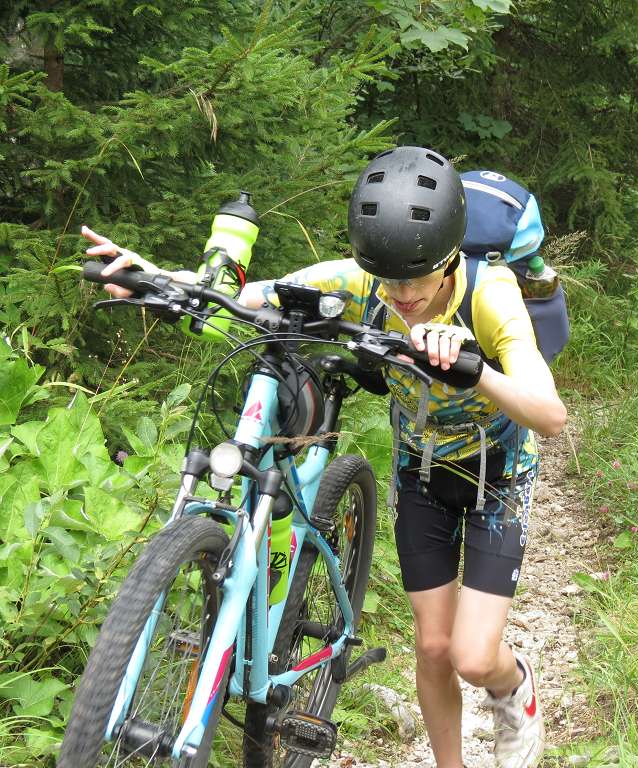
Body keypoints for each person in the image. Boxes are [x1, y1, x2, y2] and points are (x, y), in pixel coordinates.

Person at [82, 146, 567, 768]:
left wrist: (473, 369)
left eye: (416, 281)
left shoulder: (490, 292)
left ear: (450, 259)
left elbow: (550, 414)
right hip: (419, 474)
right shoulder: (359, 280)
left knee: (474, 658)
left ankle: (514, 688)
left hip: (495, 478)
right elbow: (251, 295)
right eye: (388, 280)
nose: (401, 296)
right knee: (433, 646)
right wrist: (150, 275)